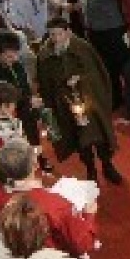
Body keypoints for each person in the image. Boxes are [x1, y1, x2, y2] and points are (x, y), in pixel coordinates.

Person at [36, 17, 124, 184]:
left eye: (59, 34)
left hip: (90, 102)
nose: (55, 39)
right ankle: (90, 168)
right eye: (52, 35)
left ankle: (107, 165)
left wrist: (81, 80)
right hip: (65, 105)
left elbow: (97, 73)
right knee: (80, 140)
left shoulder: (82, 48)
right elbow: (45, 83)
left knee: (99, 136)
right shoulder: (45, 55)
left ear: (68, 32)